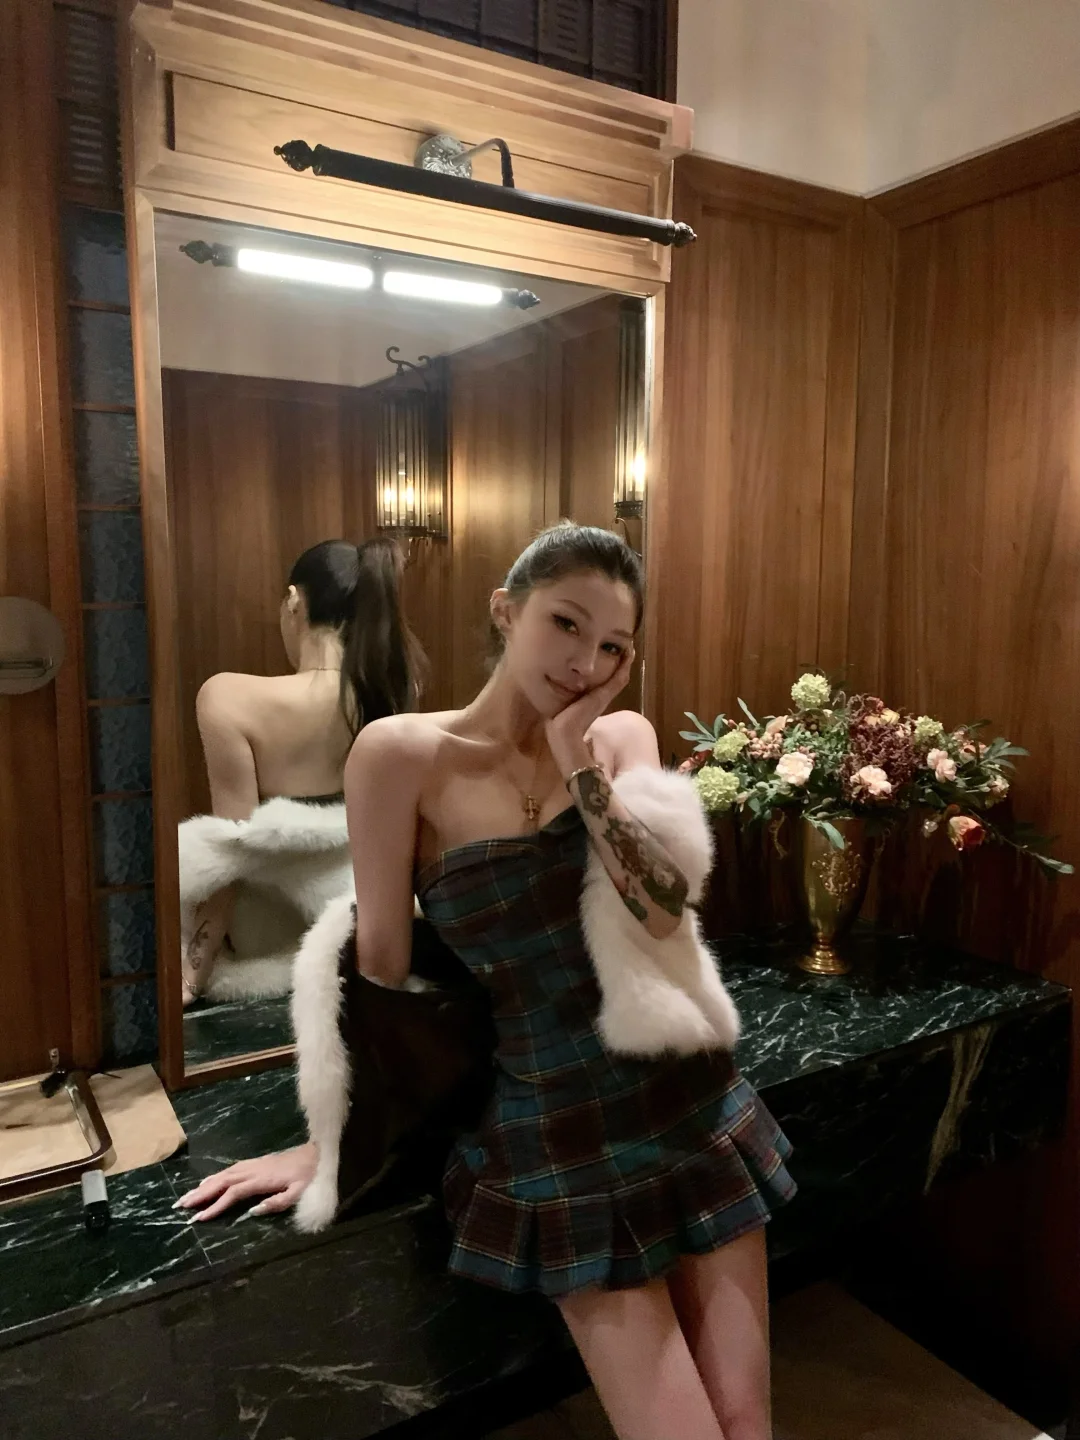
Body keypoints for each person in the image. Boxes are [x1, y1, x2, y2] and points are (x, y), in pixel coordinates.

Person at [175, 523, 795, 1440]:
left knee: (747, 1423)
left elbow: (662, 908)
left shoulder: (619, 736)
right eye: (565, 623)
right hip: (557, 1131)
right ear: (506, 611)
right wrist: (337, 1140)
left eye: (613, 646)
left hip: (693, 1102)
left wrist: (579, 762)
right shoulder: (399, 756)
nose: (585, 661)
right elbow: (383, 973)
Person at [181, 536, 423, 1005]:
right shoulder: (394, 691)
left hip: (266, 944)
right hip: (359, 931)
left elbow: (231, 850)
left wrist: (194, 972)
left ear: (293, 601)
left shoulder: (228, 698)